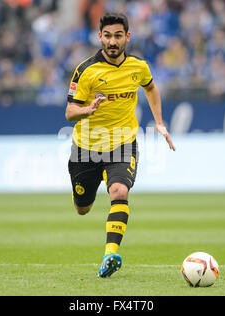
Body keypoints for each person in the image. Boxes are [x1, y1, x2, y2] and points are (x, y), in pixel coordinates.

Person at [65, 13, 175, 278]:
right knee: (83, 208)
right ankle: (82, 196)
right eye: (107, 36)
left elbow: (151, 88)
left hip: (123, 143)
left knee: (119, 192)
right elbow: (70, 111)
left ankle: (109, 253)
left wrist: (159, 122)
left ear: (127, 36)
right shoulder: (86, 69)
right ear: (99, 37)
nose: (112, 41)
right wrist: (87, 110)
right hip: (86, 149)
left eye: (117, 36)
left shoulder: (138, 66)